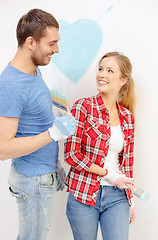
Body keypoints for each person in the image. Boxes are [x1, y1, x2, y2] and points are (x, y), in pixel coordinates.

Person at [0, 9, 75, 240]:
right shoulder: (11, 86)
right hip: (32, 182)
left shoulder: (33, 70)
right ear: (31, 42)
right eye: (52, 43)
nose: (57, 50)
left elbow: (29, 118)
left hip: (43, 176)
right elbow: (3, 149)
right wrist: (52, 134)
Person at [64, 51, 136, 240]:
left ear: (123, 80)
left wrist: (131, 201)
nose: (102, 74)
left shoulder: (127, 118)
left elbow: (127, 164)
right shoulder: (82, 107)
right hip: (83, 193)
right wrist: (108, 174)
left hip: (117, 196)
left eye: (110, 71)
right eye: (101, 69)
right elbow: (72, 155)